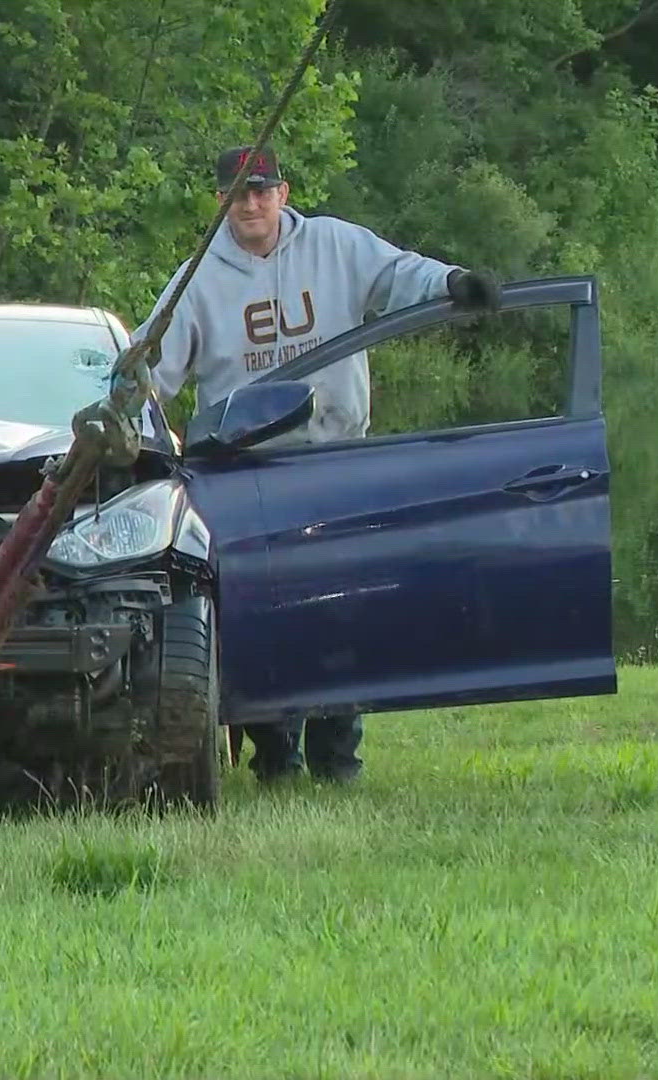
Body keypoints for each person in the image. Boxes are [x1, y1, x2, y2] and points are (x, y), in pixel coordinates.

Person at [133, 144, 502, 783]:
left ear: (284, 192)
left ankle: (339, 759)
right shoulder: (196, 279)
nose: (251, 203)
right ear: (221, 199)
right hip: (248, 477)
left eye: (262, 190)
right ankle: (276, 756)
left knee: (345, 610)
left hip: (338, 464)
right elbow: (147, 373)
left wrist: (454, 282)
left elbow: (402, 275)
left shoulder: (337, 247)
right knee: (262, 617)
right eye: (239, 192)